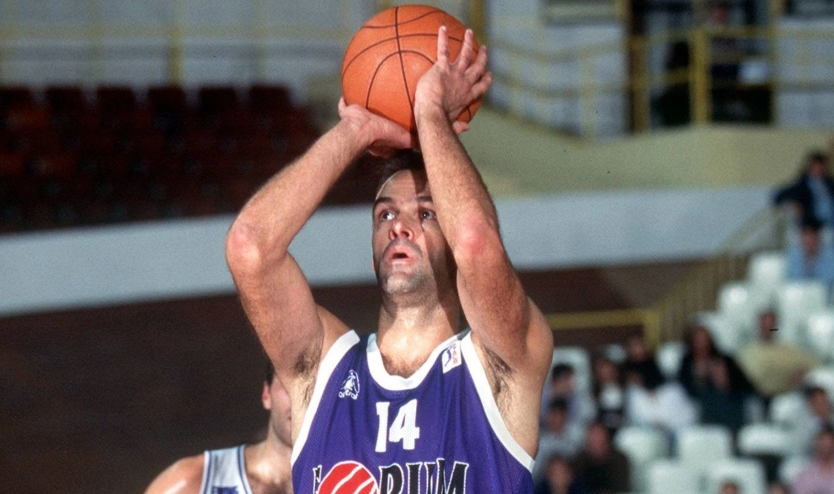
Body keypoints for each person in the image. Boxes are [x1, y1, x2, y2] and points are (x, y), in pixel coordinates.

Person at [225, 26, 553, 493]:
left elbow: (476, 242)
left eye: (425, 213)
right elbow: (250, 247)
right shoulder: (325, 373)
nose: (399, 226)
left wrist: (429, 112)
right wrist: (356, 130)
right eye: (385, 214)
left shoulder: (500, 364)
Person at [144, 367, 293, 494]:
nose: (302, 402)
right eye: (290, 385)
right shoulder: (192, 483)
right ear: (266, 394)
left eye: (307, 392)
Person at [677, 324, 756, 433]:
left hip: (730, 400)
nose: (701, 343)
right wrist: (700, 379)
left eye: (704, 339)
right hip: (702, 403)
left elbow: (746, 385)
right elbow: (683, 389)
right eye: (697, 340)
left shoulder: (725, 359)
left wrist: (724, 382)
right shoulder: (686, 363)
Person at [737, 310, 820, 399]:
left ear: (775, 326)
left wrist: (802, 373)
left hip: (785, 397)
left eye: (771, 325)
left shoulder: (788, 350)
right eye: (764, 325)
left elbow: (812, 364)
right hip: (755, 397)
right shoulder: (747, 352)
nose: (767, 329)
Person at [532, 398, 585, 485]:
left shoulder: (576, 437)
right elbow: (537, 470)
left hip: (572, 481)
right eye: (554, 415)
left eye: (559, 415)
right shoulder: (541, 441)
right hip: (545, 483)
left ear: (565, 416)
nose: (556, 419)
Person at [774, 151, 834, 227]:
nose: (819, 169)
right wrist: (792, 204)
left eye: (821, 166)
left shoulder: (830, 183)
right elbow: (778, 197)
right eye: (816, 166)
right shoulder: (802, 185)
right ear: (809, 167)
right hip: (813, 222)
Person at [570, 422, 632, 494]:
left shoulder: (620, 459)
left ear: (607, 438)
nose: (597, 440)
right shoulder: (579, 461)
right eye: (593, 437)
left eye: (600, 436)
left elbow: (622, 487)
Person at [786, 216, 834, 297]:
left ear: (818, 236)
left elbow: (828, 282)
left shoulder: (830, 255)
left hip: (824, 297)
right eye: (805, 235)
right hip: (799, 296)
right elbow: (792, 280)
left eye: (811, 235)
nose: (808, 239)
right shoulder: (794, 255)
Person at [542, 363, 596, 428]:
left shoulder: (573, 396)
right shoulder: (542, 396)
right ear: (558, 380)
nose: (571, 383)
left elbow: (578, 419)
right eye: (568, 379)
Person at [791, 426, 834, 494]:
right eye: (823, 444)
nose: (826, 448)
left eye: (828, 444)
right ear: (816, 446)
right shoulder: (805, 473)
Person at [794, 386, 834, 455]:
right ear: (811, 405)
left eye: (823, 400)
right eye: (817, 402)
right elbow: (804, 448)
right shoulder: (807, 427)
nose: (821, 404)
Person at [592, 356, 626, 434]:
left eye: (609, 372)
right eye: (603, 373)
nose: (607, 376)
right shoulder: (593, 395)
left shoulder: (626, 392)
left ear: (616, 372)